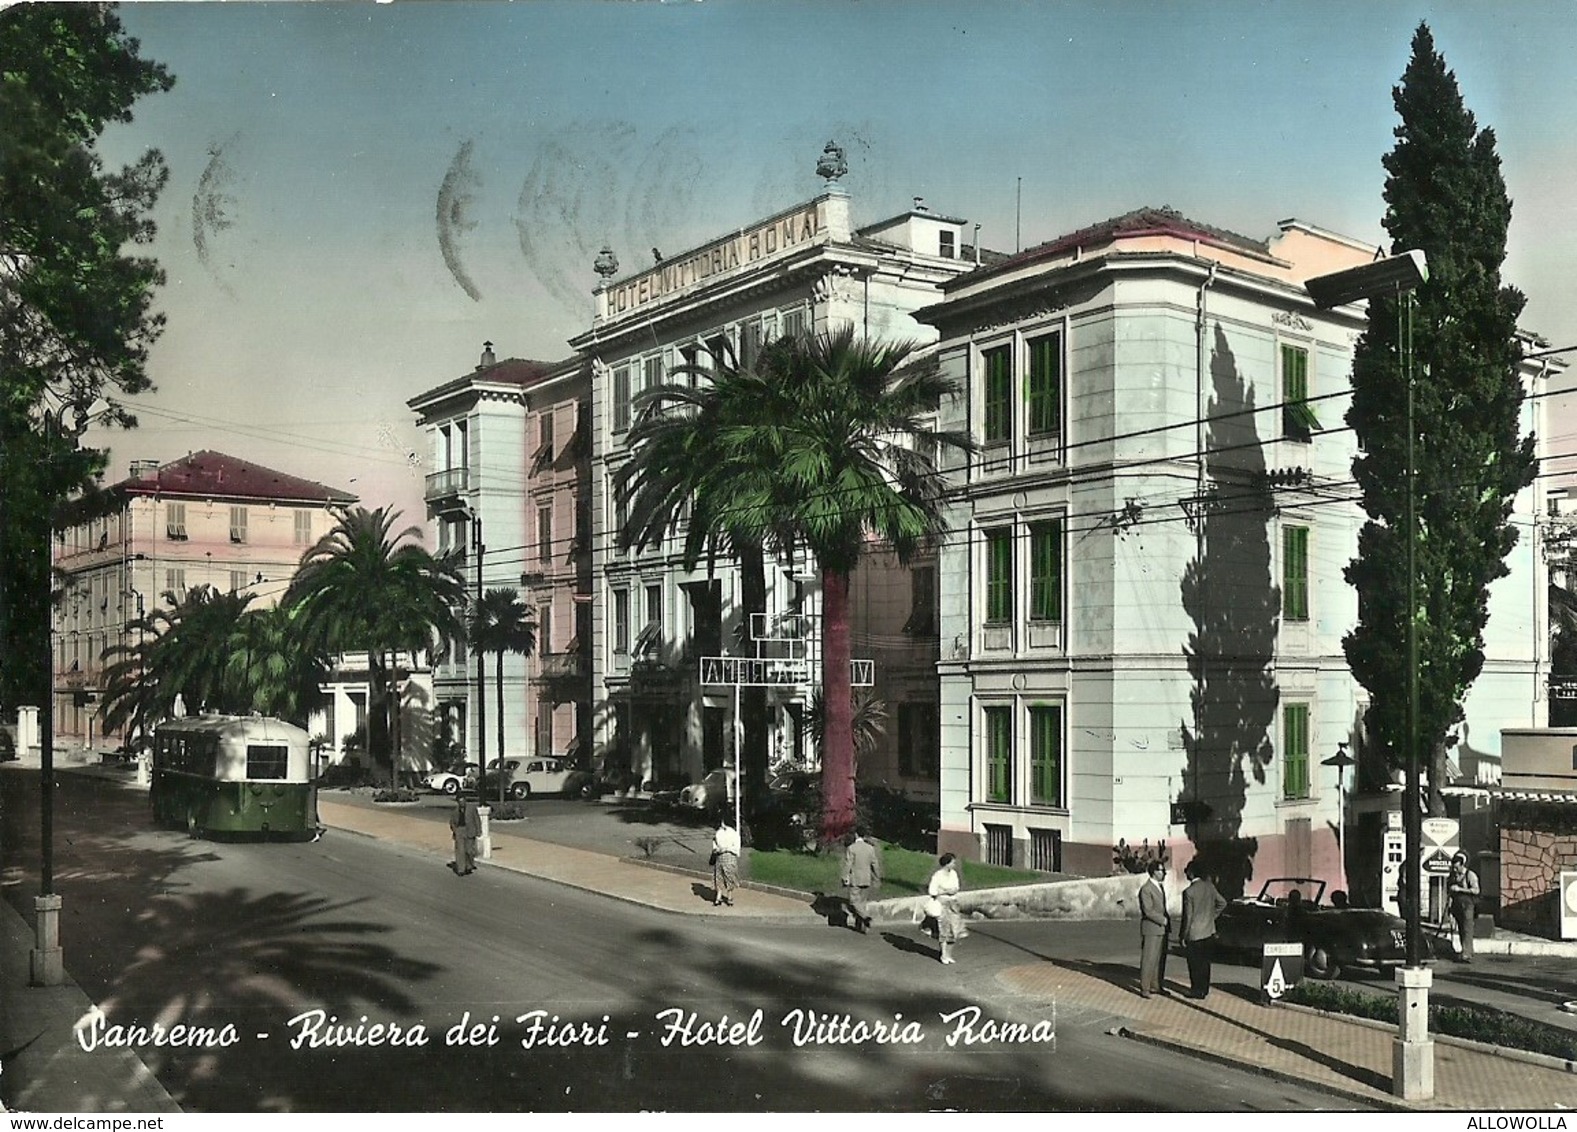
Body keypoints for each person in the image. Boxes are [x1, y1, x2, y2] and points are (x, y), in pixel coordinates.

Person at [1179, 862, 1227, 999]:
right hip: (1209, 931)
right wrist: (1212, 916)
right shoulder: (1210, 887)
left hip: (1194, 933)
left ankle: (1196, 990)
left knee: (1194, 964)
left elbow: (1188, 916)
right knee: (1205, 963)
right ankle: (1204, 989)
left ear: (1191, 873)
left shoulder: (1189, 892)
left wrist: (1183, 935)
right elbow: (1222, 903)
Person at [1137, 860, 1171, 997]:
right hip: (1151, 928)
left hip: (1161, 929)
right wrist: (1162, 920)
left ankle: (1156, 984)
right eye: (1161, 870)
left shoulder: (1159, 887)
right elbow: (1148, 910)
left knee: (1159, 958)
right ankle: (1145, 987)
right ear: (1154, 872)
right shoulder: (1146, 889)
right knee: (1149, 958)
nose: (1164, 873)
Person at [840, 827, 882, 934]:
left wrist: (845, 876)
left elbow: (848, 863)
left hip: (855, 878)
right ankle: (861, 926)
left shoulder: (852, 848)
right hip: (866, 878)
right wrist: (877, 877)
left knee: (854, 901)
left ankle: (866, 918)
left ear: (856, 835)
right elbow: (875, 864)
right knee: (862, 902)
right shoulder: (870, 848)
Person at [925, 853, 964, 964]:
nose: (954, 864)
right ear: (947, 863)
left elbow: (956, 888)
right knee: (944, 929)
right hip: (942, 904)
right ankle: (943, 954)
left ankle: (949, 954)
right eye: (952, 862)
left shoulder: (954, 874)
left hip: (953, 904)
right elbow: (932, 891)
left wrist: (946, 890)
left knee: (954, 931)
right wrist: (946, 891)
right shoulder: (937, 875)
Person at [1447, 851, 1481, 962]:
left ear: (1462, 865)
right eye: (1454, 868)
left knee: (1467, 928)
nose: (1455, 870)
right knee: (1461, 928)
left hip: (1468, 905)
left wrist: (1460, 889)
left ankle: (1467, 953)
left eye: (1457, 868)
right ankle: (1466, 950)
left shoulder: (1470, 875)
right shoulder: (1453, 876)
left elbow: (1476, 890)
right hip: (1457, 905)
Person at [711, 818, 741, 906]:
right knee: (724, 877)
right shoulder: (723, 833)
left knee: (724, 877)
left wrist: (723, 849)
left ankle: (723, 897)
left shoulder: (725, 833)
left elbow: (735, 847)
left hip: (725, 856)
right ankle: (724, 898)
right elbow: (736, 849)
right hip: (725, 857)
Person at [450, 793, 480, 876]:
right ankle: (461, 869)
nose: (461, 803)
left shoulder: (472, 809)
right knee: (460, 850)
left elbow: (477, 819)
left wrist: (478, 831)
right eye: (460, 801)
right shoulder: (455, 811)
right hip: (460, 830)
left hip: (470, 830)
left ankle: (469, 865)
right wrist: (455, 830)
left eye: (463, 801)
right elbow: (452, 822)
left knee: (469, 850)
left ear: (465, 801)